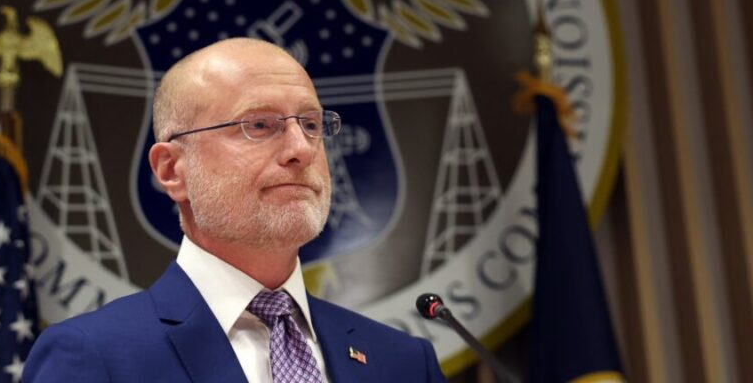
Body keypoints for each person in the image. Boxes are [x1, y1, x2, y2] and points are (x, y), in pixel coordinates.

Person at [24, 38, 446, 382]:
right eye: (259, 125)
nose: (301, 149)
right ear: (172, 170)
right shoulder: (93, 357)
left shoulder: (404, 363)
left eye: (312, 125)